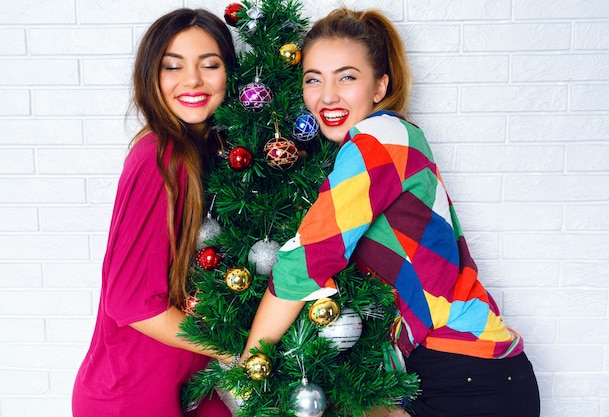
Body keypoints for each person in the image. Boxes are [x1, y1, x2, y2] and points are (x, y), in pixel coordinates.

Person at [241, 7, 540, 417]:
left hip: (466, 377)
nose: (327, 95)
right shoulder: (396, 137)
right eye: (314, 79)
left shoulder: (377, 140)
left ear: (380, 86)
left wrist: (251, 362)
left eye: (347, 77)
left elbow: (308, 258)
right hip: (461, 371)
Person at [72, 8, 237, 417]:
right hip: (133, 395)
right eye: (173, 66)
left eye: (210, 65)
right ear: (152, 77)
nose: (193, 80)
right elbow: (131, 303)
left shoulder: (210, 156)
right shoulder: (160, 157)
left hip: (187, 385)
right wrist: (233, 350)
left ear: (229, 74)